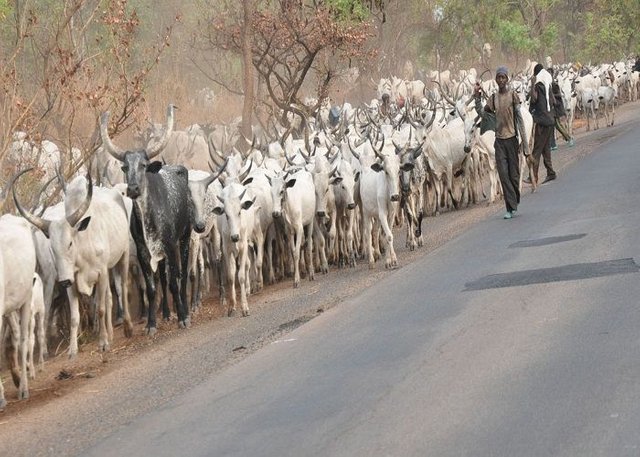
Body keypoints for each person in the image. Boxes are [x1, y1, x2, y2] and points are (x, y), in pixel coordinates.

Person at [474, 66, 530, 220]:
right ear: (496, 80)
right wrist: (477, 97)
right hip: (499, 142)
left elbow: (519, 120)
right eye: (498, 78)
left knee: (513, 175)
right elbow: (483, 113)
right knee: (504, 175)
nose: (501, 80)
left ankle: (514, 199)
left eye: (503, 77)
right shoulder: (493, 99)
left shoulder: (513, 96)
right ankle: (510, 207)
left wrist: (525, 145)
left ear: (507, 79)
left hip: (512, 140)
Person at [528, 63, 556, 184]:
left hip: (542, 122)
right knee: (545, 148)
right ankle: (551, 172)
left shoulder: (539, 85)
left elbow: (534, 99)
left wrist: (532, 84)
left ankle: (533, 176)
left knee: (537, 149)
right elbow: (553, 101)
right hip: (550, 120)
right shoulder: (548, 85)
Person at [548, 68, 575, 150]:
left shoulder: (554, 84)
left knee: (558, 125)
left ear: (552, 74)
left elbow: (559, 95)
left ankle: (569, 138)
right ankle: (552, 144)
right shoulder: (547, 84)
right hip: (550, 109)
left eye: (549, 73)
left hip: (555, 108)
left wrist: (551, 95)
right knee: (551, 127)